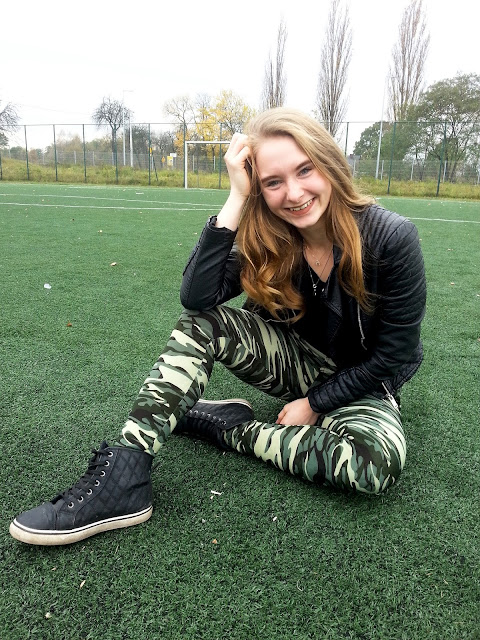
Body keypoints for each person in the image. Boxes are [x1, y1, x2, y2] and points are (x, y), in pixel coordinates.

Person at [10, 108, 426, 546]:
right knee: (202, 323)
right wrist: (236, 198)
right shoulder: (273, 235)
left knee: (373, 465)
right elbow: (197, 297)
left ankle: (228, 428)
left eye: (305, 170)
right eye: (273, 182)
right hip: (298, 364)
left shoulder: (390, 237)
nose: (294, 193)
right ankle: (126, 473)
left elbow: (393, 355)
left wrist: (315, 404)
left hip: (364, 384)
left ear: (330, 164)